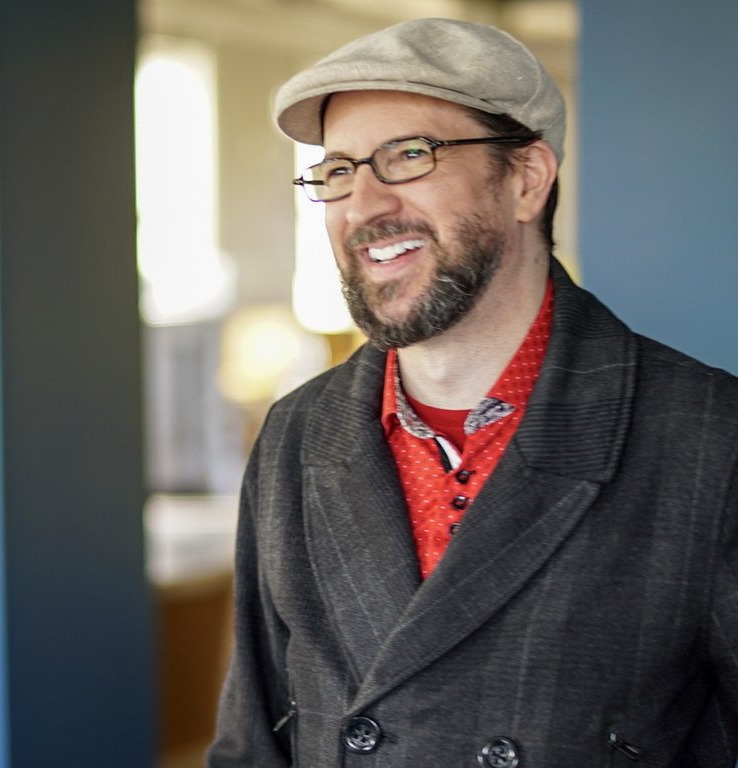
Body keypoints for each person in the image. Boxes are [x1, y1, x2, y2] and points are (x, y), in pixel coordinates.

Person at [207, 17, 738, 768]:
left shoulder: (709, 437)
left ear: (526, 179)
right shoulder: (298, 432)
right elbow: (251, 742)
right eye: (337, 172)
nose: (361, 207)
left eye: (408, 157)